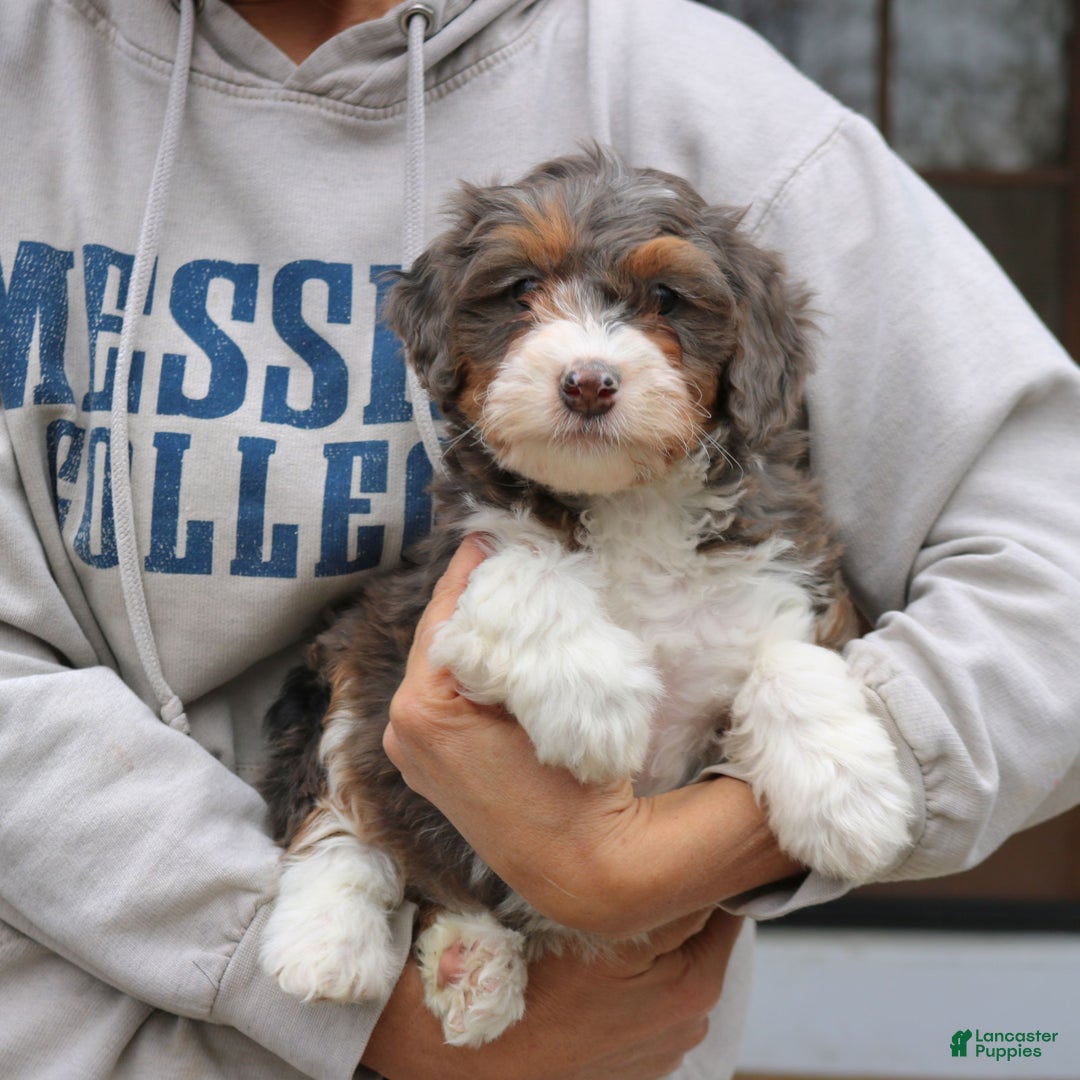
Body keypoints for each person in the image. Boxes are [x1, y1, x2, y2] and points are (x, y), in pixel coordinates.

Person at [1, 1, 1077, 1077]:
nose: (588, 354)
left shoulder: (697, 92)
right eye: (519, 296)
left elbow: (1052, 565)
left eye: (655, 303)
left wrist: (670, 860)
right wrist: (331, 997)